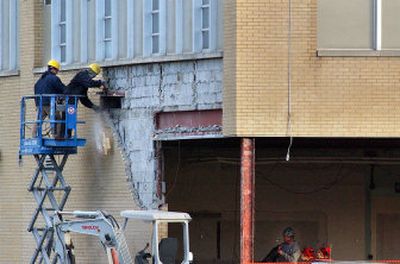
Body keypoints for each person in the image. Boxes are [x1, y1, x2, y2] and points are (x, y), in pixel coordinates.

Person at [32, 59, 66, 137]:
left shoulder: (40, 80)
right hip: (48, 103)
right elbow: (62, 89)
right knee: (57, 119)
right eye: (57, 70)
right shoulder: (54, 78)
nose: (57, 72)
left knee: (38, 120)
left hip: (39, 104)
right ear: (54, 69)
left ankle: (34, 136)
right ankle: (56, 136)